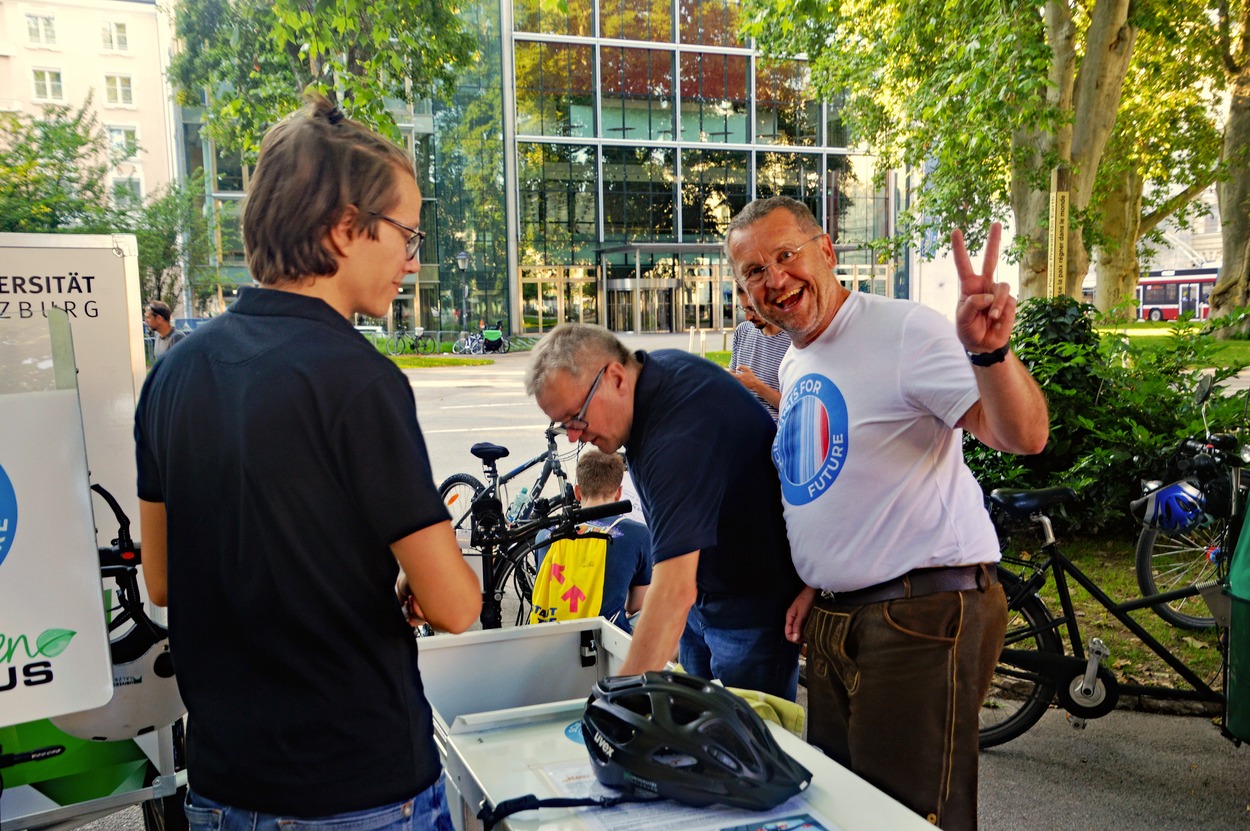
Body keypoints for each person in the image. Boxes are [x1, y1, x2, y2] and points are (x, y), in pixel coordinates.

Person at [133, 96, 481, 830]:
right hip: (358, 785)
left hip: (227, 784)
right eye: (406, 235)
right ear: (344, 227)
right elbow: (456, 605)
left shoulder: (173, 372)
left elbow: (163, 579)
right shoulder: (359, 379)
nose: (412, 261)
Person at [725, 196, 1049, 831]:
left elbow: (1021, 435)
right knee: (846, 811)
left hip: (918, 610)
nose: (774, 280)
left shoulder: (902, 329)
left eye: (785, 256)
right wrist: (818, 580)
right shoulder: (796, 359)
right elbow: (835, 476)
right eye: (754, 272)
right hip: (841, 614)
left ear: (827, 252)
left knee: (907, 817)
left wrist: (989, 355)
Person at [524, 323, 804, 700]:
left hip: (749, 608)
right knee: (693, 734)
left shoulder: (677, 434)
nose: (574, 436)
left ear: (616, 377)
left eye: (576, 416)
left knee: (743, 747)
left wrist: (616, 702)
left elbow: (674, 591)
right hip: (704, 596)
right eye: (563, 425)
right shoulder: (655, 375)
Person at [531, 449, 651, 632]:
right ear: (619, 493)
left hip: (549, 636)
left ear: (578, 492)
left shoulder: (546, 533)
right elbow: (635, 605)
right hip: (602, 640)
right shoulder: (638, 534)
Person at [729, 282, 791, 420]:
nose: (748, 317)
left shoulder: (794, 341)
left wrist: (756, 385)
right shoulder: (742, 330)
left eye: (752, 309)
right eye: (744, 309)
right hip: (737, 421)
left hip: (771, 430)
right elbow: (732, 381)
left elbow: (794, 408)